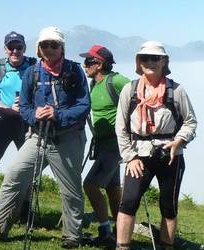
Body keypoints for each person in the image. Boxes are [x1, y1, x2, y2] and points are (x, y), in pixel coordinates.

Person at [0, 26, 90, 249]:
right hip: (37, 135)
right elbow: (25, 106)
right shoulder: (33, 72)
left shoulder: (75, 71)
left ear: (62, 48)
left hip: (66, 137)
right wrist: (33, 114)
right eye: (45, 45)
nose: (49, 49)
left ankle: (72, 235)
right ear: (39, 48)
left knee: (71, 189)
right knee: (13, 178)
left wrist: (58, 114)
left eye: (54, 45)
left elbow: (84, 106)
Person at [115, 41, 197, 250]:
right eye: (144, 58)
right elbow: (121, 127)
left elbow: (190, 121)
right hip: (138, 155)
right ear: (138, 62)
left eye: (154, 58)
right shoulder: (129, 90)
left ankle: (166, 246)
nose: (149, 62)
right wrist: (130, 157)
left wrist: (179, 140)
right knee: (128, 203)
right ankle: (122, 246)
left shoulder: (176, 91)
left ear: (164, 62)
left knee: (168, 206)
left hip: (171, 154)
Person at [0, 31, 35, 213]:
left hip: (27, 120)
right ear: (5, 49)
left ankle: (26, 207)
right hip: (4, 118)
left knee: (30, 165)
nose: (15, 51)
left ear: (24, 48)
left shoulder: (34, 67)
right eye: (11, 47)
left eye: (19, 47)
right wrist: (7, 109)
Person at [79, 45, 129, 247]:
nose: (85, 65)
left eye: (88, 61)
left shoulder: (115, 81)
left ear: (99, 64)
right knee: (112, 187)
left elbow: (137, 91)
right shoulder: (94, 83)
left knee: (90, 185)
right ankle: (119, 230)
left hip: (115, 144)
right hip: (101, 143)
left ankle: (105, 230)